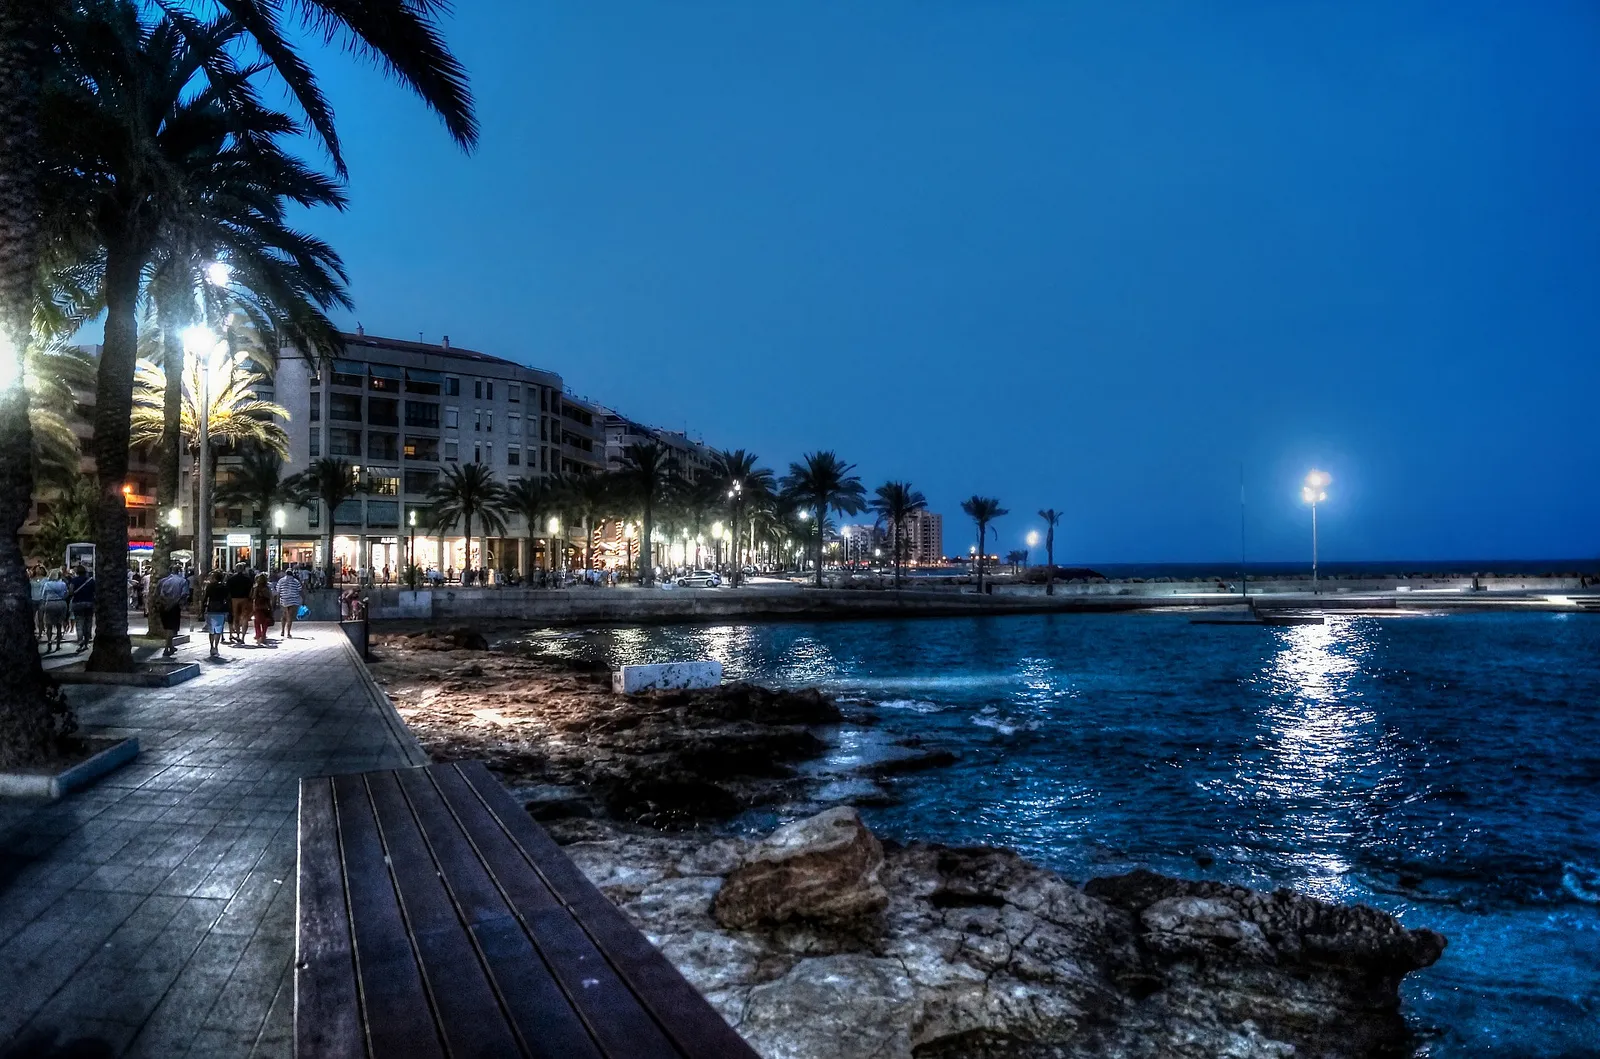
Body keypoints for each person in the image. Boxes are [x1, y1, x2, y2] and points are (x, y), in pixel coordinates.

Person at [153, 563, 189, 657]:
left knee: (167, 627)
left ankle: (171, 646)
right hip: (174, 606)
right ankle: (166, 648)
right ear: (179, 571)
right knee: (172, 628)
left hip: (163, 606)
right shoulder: (182, 581)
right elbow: (184, 594)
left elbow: (156, 594)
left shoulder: (162, 581)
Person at [201, 570, 230, 659]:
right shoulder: (224, 587)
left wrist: (202, 608)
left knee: (211, 629)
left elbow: (205, 598)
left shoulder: (210, 586)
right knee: (218, 629)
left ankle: (211, 646)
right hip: (221, 609)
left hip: (211, 608)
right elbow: (227, 599)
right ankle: (216, 647)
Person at [39, 568, 69, 653]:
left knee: (49, 625)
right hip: (60, 603)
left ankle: (49, 642)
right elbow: (66, 594)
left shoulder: (47, 584)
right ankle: (58, 645)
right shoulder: (63, 584)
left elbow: (43, 596)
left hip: (50, 604)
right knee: (59, 625)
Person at [68, 565, 96, 653]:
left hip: (77, 603)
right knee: (88, 623)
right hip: (89, 603)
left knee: (79, 623)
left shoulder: (74, 580)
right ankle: (87, 642)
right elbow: (95, 592)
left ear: (77, 572)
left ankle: (80, 641)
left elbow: (71, 591)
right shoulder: (91, 581)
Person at [226, 563, 253, 646]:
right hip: (245, 599)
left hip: (234, 599)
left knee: (236, 617)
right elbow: (251, 590)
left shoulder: (231, 579)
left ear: (236, 569)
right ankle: (243, 637)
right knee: (245, 618)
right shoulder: (248, 579)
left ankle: (237, 635)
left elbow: (228, 590)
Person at [276, 564, 304, 639]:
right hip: (293, 601)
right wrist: (303, 599)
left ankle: (282, 631)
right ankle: (288, 633)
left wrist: (277, 601)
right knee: (290, 617)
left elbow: (278, 591)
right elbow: (300, 590)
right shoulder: (296, 581)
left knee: (284, 616)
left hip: (284, 600)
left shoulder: (281, 581)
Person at [249, 573, 273, 645]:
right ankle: (263, 635)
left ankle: (258, 634)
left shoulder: (255, 588)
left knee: (257, 621)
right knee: (265, 622)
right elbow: (270, 597)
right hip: (265, 606)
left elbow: (252, 596)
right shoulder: (267, 588)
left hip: (257, 606)